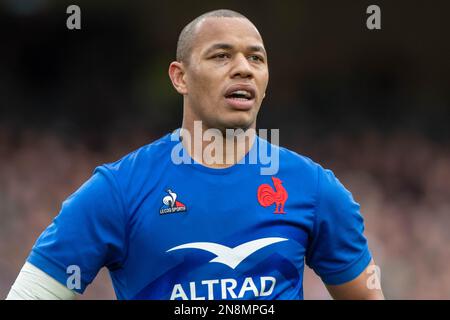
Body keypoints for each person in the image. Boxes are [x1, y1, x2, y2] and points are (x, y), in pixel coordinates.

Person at [6, 9, 384, 300]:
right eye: (221, 56)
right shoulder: (118, 190)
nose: (243, 69)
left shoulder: (314, 188)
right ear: (180, 77)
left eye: (256, 58)